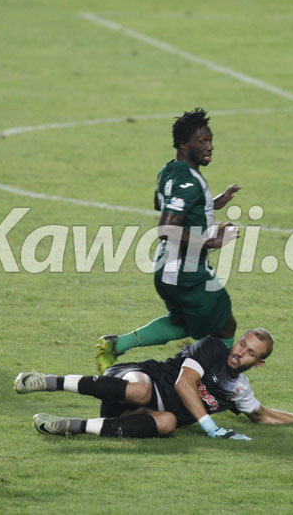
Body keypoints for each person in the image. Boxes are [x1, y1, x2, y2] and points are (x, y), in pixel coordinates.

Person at [96, 107, 241, 372]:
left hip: (166, 269)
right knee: (225, 324)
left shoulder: (169, 170)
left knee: (182, 322)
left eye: (210, 140)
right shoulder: (188, 181)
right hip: (187, 273)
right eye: (202, 141)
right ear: (184, 144)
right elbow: (166, 228)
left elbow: (161, 203)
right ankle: (225, 379)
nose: (210, 147)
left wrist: (211, 203)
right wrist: (211, 242)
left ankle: (116, 345)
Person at [18, 328, 293, 439]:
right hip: (134, 378)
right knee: (141, 390)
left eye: (250, 353)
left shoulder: (239, 390)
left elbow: (262, 415)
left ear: (259, 363)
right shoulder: (212, 347)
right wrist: (210, 427)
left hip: (134, 415)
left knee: (168, 423)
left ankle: (69, 426)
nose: (240, 353)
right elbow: (184, 383)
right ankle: (46, 381)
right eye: (242, 344)